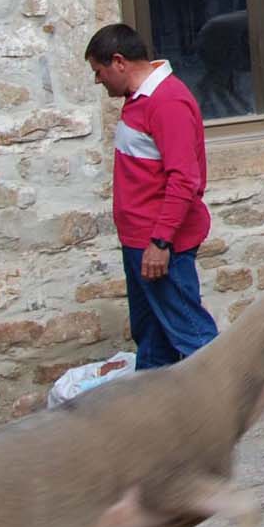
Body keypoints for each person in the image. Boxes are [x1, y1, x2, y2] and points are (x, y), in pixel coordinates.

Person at [85, 23, 217, 369]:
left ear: (119, 62)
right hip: (141, 243)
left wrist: (160, 242)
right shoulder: (138, 100)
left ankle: (229, 406)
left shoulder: (167, 102)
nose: (98, 81)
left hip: (158, 246)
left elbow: (184, 180)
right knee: (153, 340)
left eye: (99, 72)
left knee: (193, 337)